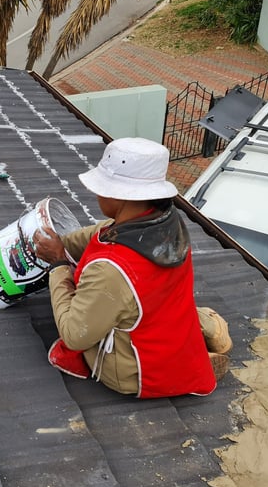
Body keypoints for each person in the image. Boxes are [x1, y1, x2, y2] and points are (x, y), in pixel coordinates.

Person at [32, 137, 232, 398]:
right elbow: (99, 234)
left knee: (86, 323)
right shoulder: (163, 221)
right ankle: (207, 330)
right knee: (165, 306)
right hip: (160, 310)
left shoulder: (110, 270)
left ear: (119, 195)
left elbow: (74, 335)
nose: (97, 194)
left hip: (137, 372)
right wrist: (60, 244)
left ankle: (186, 365)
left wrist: (58, 265)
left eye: (101, 188)